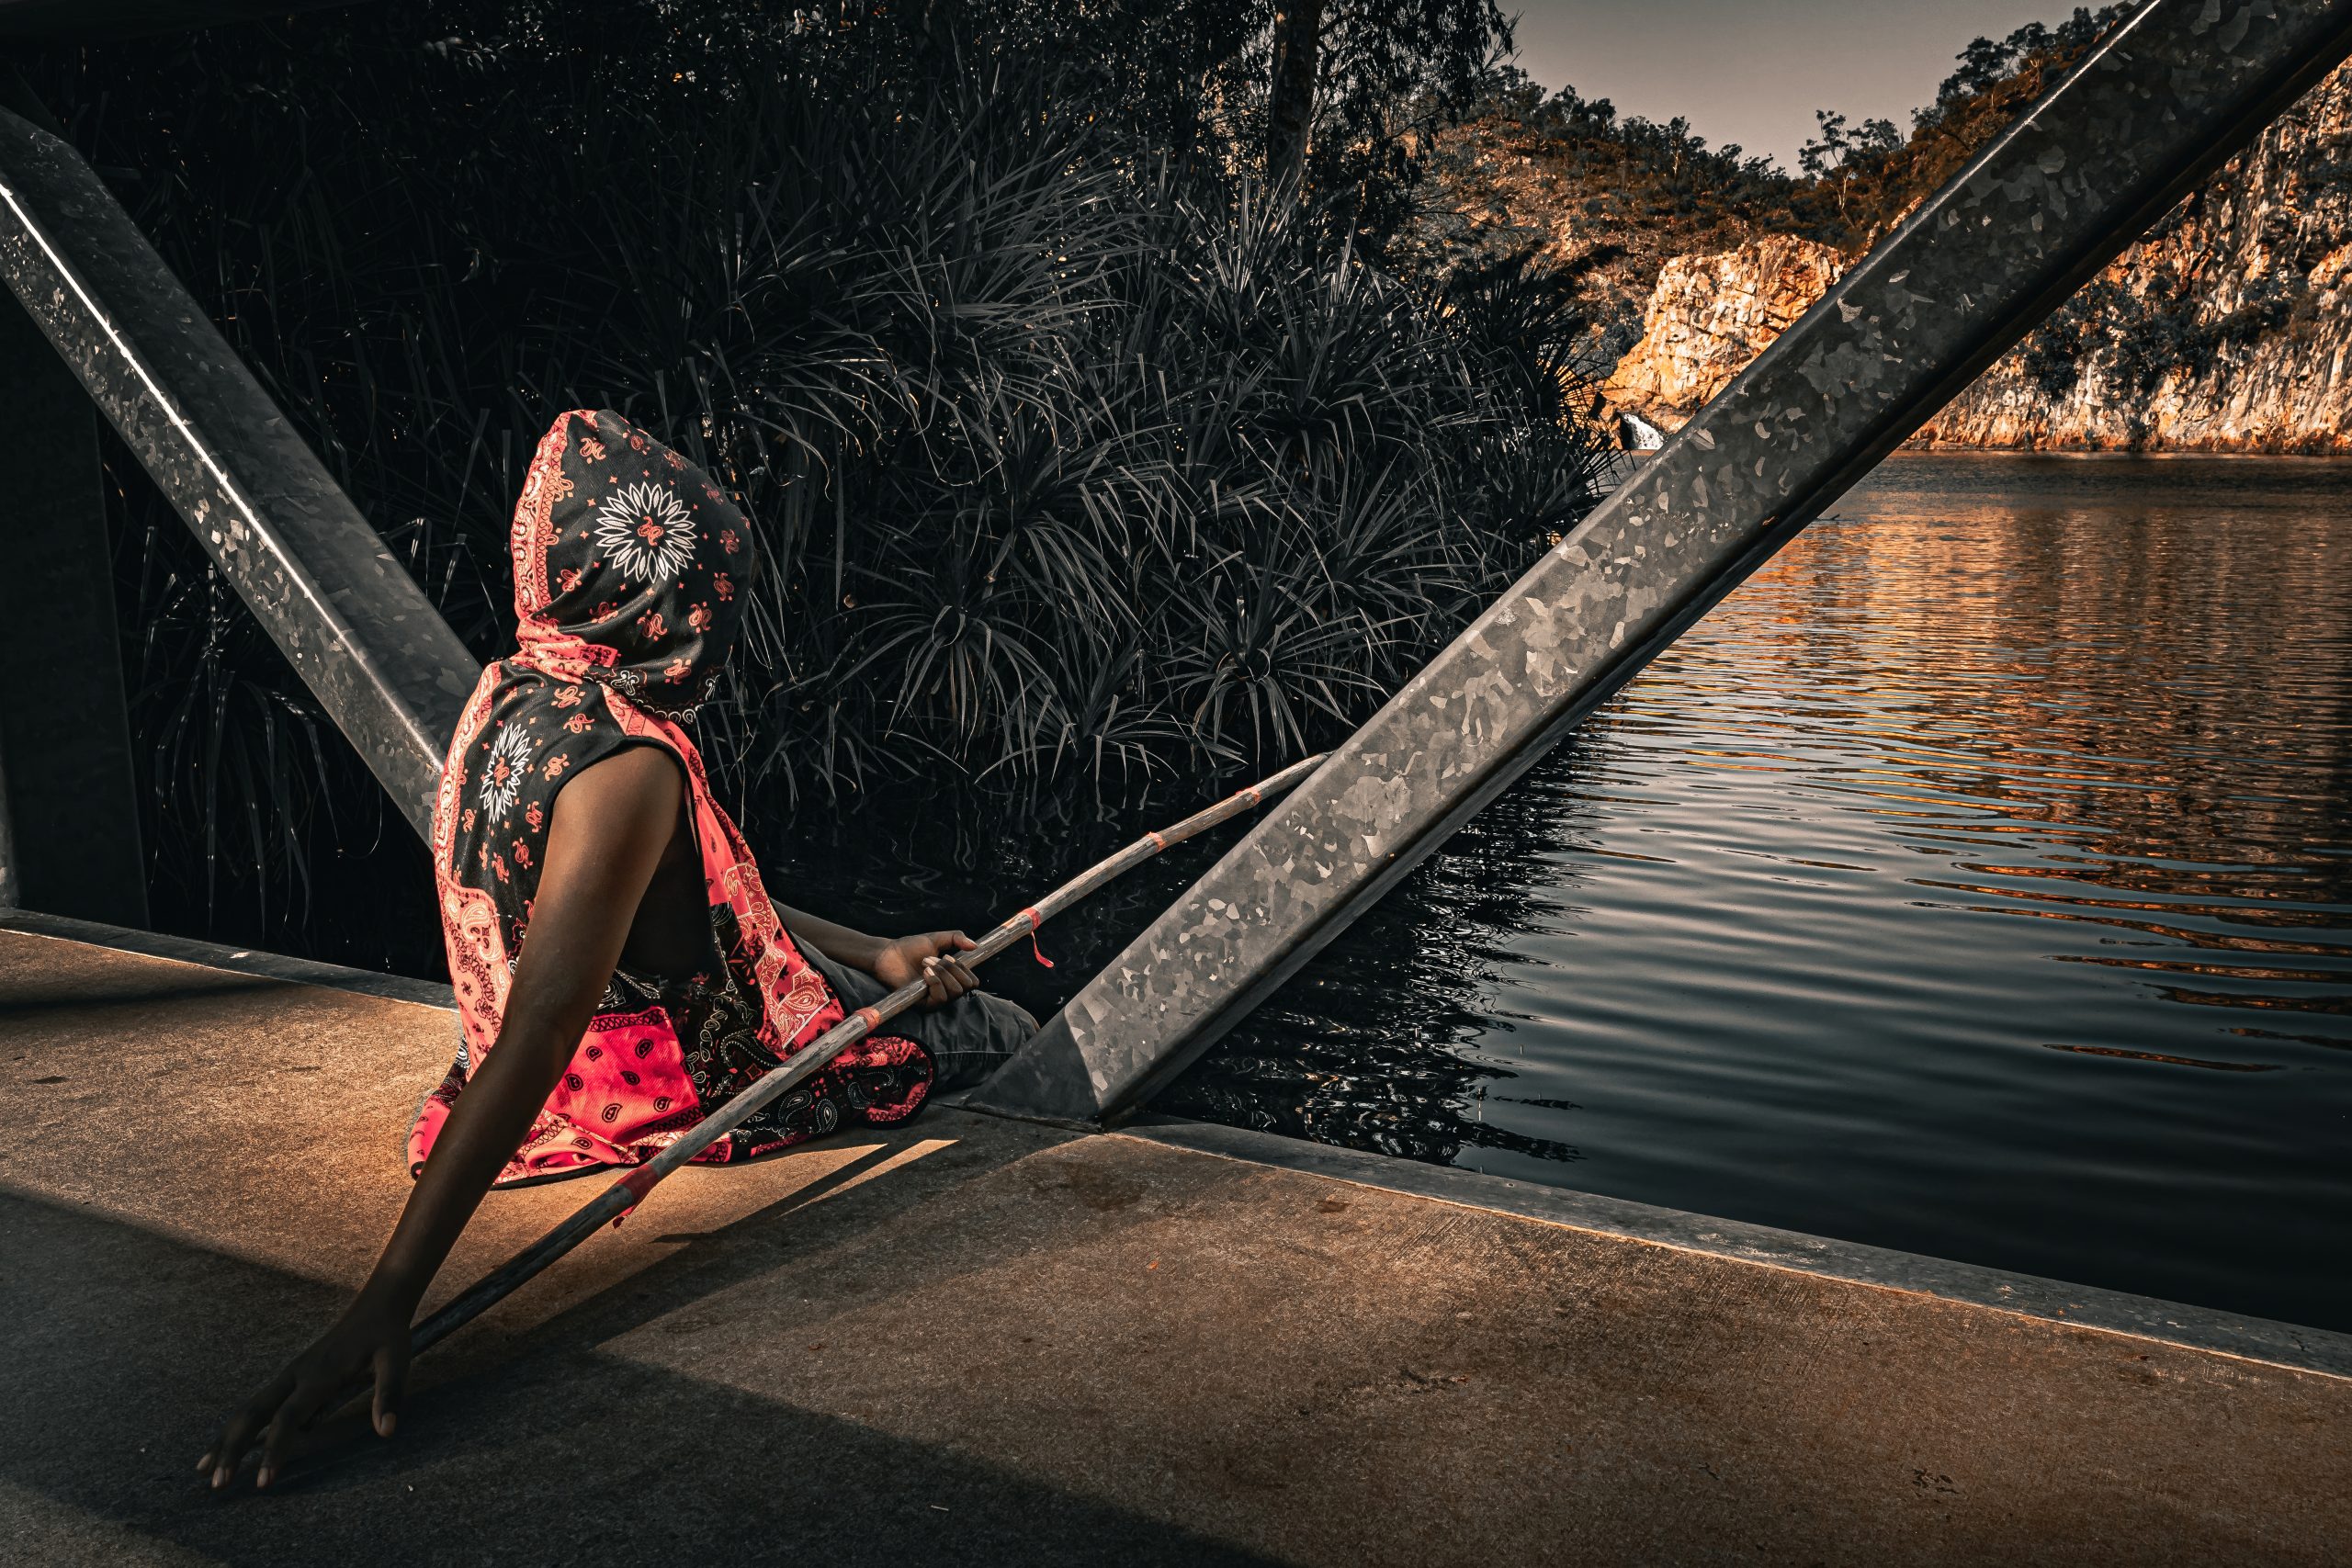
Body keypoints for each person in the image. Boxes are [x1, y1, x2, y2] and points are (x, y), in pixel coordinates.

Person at [198, 409, 1035, 1490]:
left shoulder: (512, 690)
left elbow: (693, 893)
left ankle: (873, 974)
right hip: (662, 1076)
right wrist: (383, 1300)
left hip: (615, 1044)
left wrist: (873, 952)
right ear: (667, 603)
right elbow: (544, 1024)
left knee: (910, 987)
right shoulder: (629, 765)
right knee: (999, 1031)